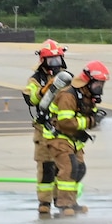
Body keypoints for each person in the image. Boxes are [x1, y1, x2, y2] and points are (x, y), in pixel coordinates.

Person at [41, 59, 107, 216]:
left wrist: (95, 116)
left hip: (73, 139)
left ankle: (71, 201)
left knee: (80, 169)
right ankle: (64, 205)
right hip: (58, 137)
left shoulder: (87, 95)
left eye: (101, 84)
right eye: (98, 83)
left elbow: (85, 116)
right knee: (69, 168)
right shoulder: (68, 96)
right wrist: (91, 120)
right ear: (88, 81)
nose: (100, 88)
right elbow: (65, 122)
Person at [24, 40, 67, 215]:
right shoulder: (35, 79)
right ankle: (44, 202)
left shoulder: (66, 76)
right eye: (51, 60)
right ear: (44, 61)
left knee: (64, 166)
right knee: (46, 167)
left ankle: (63, 201)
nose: (55, 64)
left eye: (57, 59)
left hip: (62, 127)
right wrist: (46, 88)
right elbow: (32, 99)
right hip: (43, 129)